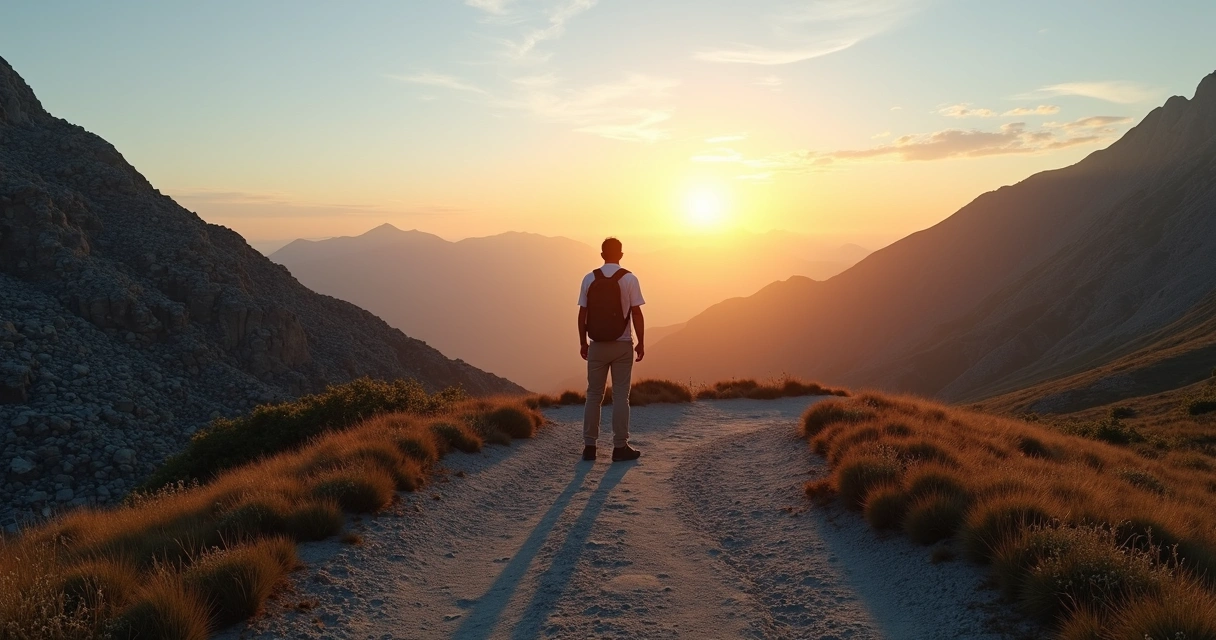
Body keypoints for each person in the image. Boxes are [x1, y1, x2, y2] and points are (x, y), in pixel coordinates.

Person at [577, 237, 645, 462]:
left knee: (593, 395)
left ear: (602, 254)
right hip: (622, 344)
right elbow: (636, 313)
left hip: (596, 345)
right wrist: (641, 342)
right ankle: (619, 447)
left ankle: (589, 447)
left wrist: (583, 342)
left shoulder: (589, 278)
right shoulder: (629, 279)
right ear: (621, 254)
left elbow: (582, 315)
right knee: (620, 397)